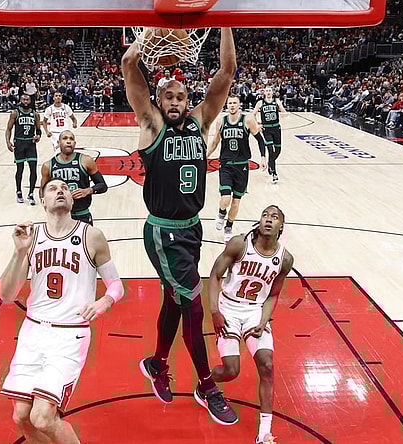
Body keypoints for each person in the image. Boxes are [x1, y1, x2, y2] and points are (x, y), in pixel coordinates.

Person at [121, 28, 239, 425]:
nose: (174, 102)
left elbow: (226, 72)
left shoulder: (201, 123)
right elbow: (129, 67)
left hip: (191, 228)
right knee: (192, 304)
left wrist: (224, 22)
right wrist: (144, 39)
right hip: (163, 232)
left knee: (175, 299)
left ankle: (157, 363)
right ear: (159, 100)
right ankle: (207, 386)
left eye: (180, 97)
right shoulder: (152, 124)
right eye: (168, 96)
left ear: (189, 101)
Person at [0, 177, 124, 444]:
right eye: (53, 188)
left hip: (70, 334)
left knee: (43, 417)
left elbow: (116, 285)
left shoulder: (91, 236)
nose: (61, 191)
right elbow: (6, 296)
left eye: (65, 188)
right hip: (33, 331)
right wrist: (19, 253)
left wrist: (104, 301)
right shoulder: (31, 238)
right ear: (42, 201)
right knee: (21, 417)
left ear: (72, 200)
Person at [208, 205, 294, 444]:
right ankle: (205, 383)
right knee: (231, 370)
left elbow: (273, 295)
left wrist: (264, 320)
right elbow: (214, 276)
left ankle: (264, 433)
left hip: (255, 310)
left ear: (281, 227)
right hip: (228, 307)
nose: (268, 219)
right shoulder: (239, 244)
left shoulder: (285, 259)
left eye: (274, 217)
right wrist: (214, 311)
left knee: (267, 365)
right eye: (265, 215)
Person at [207, 94, 260, 243]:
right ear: (227, 105)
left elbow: (259, 139)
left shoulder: (247, 120)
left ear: (239, 105)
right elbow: (215, 141)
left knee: (236, 202)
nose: (232, 105)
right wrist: (206, 156)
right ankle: (221, 212)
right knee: (225, 199)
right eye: (229, 103)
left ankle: (228, 227)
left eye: (234, 103)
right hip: (226, 164)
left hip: (242, 166)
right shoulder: (221, 121)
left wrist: (263, 157)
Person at [40, 131, 107, 225]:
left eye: (71, 139)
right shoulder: (48, 165)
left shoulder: (86, 160)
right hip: (60, 215)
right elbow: (42, 191)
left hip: (82, 214)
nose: (68, 141)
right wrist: (48, 209)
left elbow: (103, 186)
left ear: (74, 144)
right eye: (65, 138)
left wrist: (87, 191)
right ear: (58, 143)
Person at [6, 93, 42, 204]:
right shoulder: (15, 113)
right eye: (24, 99)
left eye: (27, 100)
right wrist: (8, 142)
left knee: (33, 169)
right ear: (20, 100)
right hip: (19, 143)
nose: (25, 101)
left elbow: (38, 129)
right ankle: (18, 191)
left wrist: (38, 135)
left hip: (31, 143)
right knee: (20, 169)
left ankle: (31, 194)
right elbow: (9, 129)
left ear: (30, 101)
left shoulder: (35, 114)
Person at [252, 87, 287, 183]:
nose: (268, 92)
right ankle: (274, 173)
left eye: (269, 91)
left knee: (278, 151)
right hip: (266, 129)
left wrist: (284, 114)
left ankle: (270, 162)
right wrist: (257, 125)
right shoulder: (260, 103)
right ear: (264, 93)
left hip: (276, 128)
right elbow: (253, 114)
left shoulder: (277, 101)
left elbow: (284, 111)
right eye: (266, 91)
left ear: (272, 92)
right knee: (270, 150)